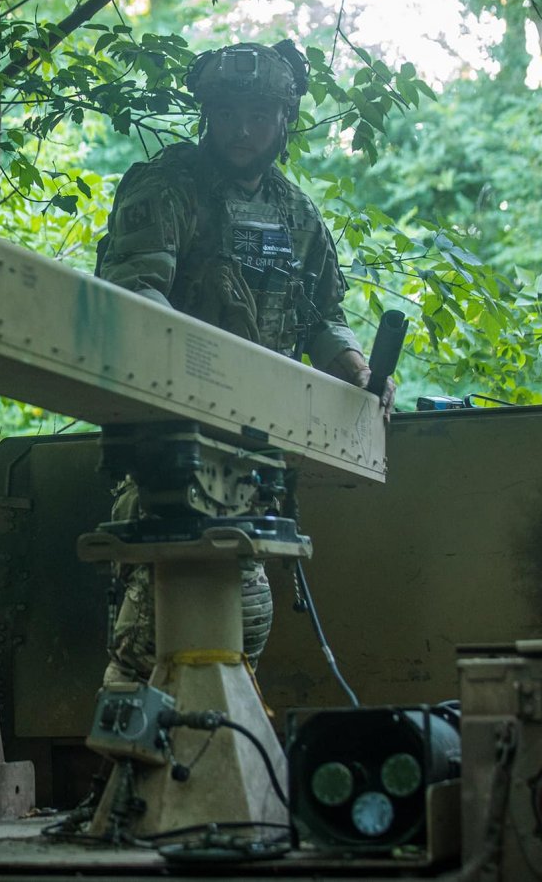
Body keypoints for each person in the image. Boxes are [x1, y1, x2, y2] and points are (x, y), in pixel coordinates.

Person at [95, 40, 395, 685]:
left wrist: (356, 370)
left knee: (245, 620)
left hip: (256, 447)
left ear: (284, 120)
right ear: (208, 115)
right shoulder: (168, 185)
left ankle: (207, 767)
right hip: (168, 434)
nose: (241, 129)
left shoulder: (296, 213)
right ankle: (131, 776)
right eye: (227, 112)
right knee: (159, 627)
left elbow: (323, 319)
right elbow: (134, 292)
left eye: (258, 114)